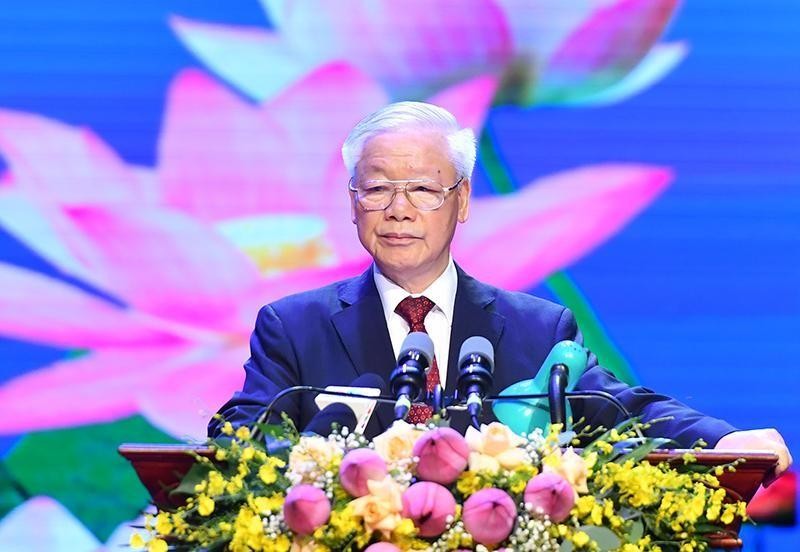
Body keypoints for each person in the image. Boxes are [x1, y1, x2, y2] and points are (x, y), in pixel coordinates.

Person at [210, 101, 791, 480]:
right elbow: (244, 432)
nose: (398, 210)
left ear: (461, 200)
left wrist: (725, 440)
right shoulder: (294, 327)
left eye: (422, 189)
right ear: (353, 203)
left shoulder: (536, 329)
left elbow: (621, 410)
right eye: (378, 189)